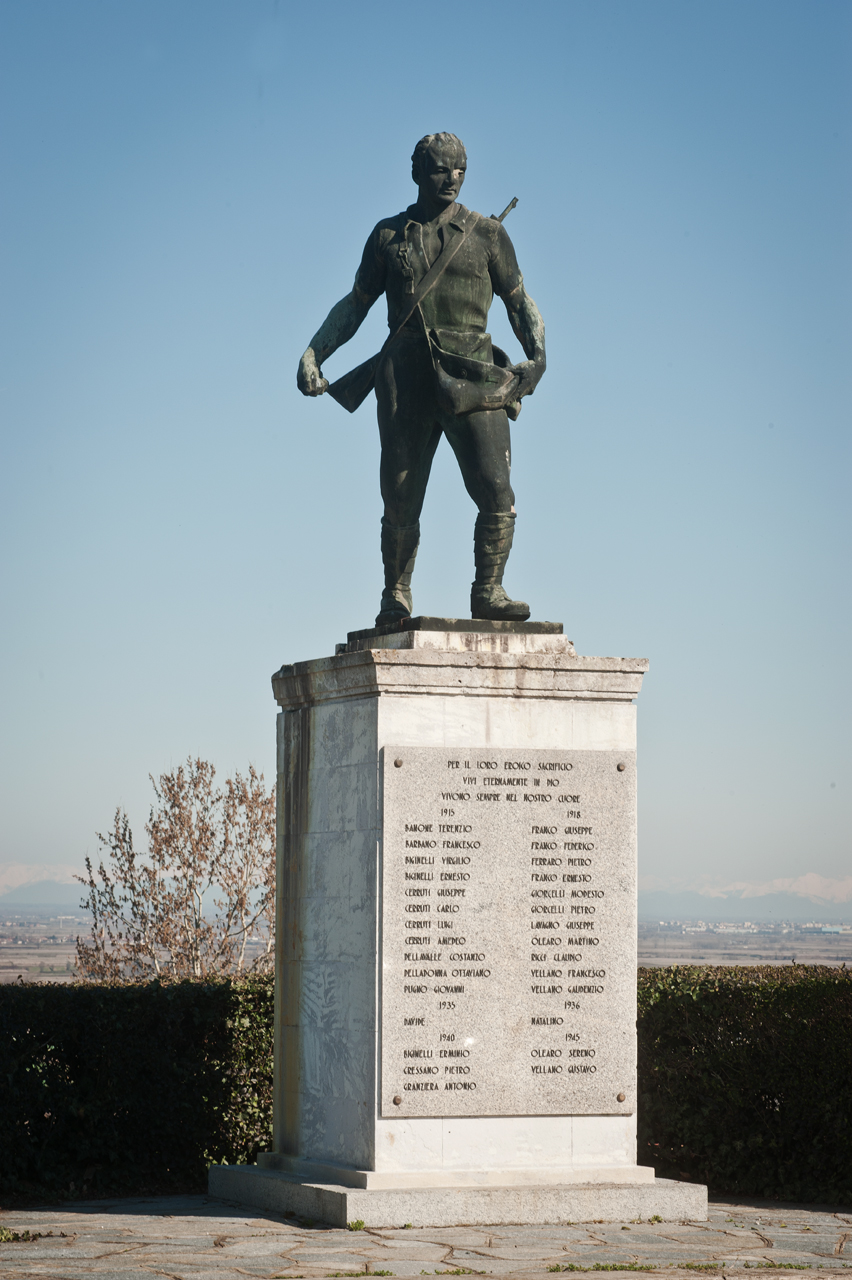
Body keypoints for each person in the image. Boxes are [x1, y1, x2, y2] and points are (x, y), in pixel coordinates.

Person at [297, 132, 546, 625]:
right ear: (415, 172)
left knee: (497, 489)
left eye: (460, 170)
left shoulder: (487, 235)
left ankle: (488, 591)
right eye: (439, 169)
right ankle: (396, 594)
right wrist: (313, 351)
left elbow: (520, 302)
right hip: (405, 372)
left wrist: (536, 358)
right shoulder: (388, 235)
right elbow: (355, 304)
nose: (451, 178)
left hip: (475, 371)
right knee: (400, 490)